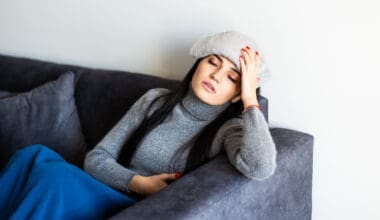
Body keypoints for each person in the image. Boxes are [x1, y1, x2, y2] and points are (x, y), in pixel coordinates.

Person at [0, 30, 277, 219]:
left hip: (133, 209)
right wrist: (138, 182)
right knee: (32, 154)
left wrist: (251, 100)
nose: (216, 76)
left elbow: (261, 167)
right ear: (197, 65)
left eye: (231, 77)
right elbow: (96, 159)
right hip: (116, 189)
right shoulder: (155, 101)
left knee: (54, 180)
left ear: (238, 91)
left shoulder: (230, 129)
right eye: (212, 63)